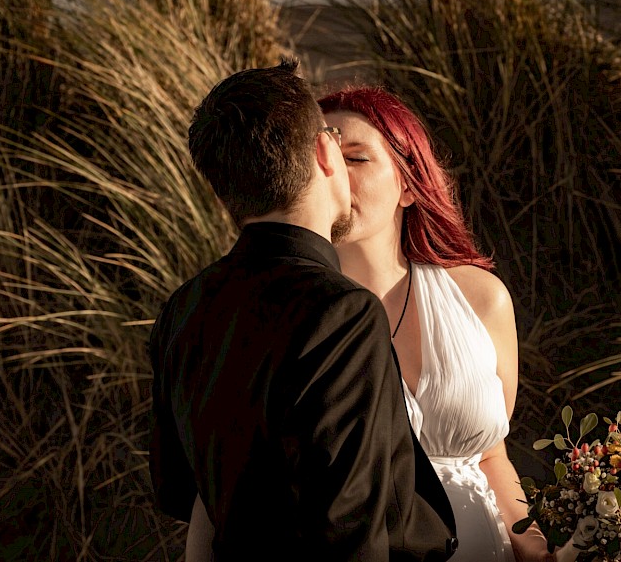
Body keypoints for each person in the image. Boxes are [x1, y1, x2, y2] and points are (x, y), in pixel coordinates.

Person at [149, 60, 459, 561]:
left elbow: (175, 489)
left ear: (220, 188)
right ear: (324, 153)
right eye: (335, 137)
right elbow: (348, 528)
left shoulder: (183, 307)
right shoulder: (342, 312)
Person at [318, 86, 555, 562]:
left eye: (357, 158)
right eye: (325, 160)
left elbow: (491, 457)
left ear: (407, 185)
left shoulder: (481, 298)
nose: (337, 176)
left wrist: (535, 546)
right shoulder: (296, 312)